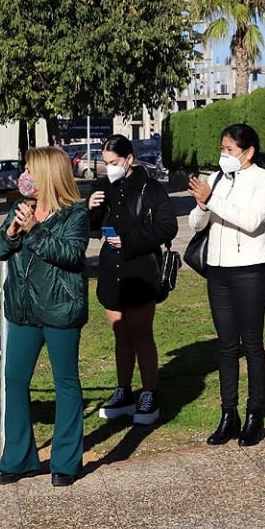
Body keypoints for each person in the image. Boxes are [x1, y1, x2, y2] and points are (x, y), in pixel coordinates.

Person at [0, 146, 89, 486]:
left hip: (61, 309)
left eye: (31, 169)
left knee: (65, 382)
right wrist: (12, 233)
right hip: (23, 310)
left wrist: (35, 230)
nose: (25, 176)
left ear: (47, 173)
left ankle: (66, 462)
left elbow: (71, 254)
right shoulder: (22, 207)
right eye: (24, 169)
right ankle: (18, 459)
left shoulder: (75, 212)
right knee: (14, 379)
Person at [187, 124, 265, 447]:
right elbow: (196, 224)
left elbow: (252, 220)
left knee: (251, 343)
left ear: (248, 152)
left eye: (229, 150)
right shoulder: (215, 178)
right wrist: (201, 205)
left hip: (250, 270)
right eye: (221, 149)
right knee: (226, 345)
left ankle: (255, 413)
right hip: (218, 270)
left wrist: (212, 200)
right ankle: (229, 413)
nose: (223, 155)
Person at [88, 135, 178, 426]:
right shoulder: (103, 187)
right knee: (120, 333)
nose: (109, 168)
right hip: (111, 269)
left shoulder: (151, 189)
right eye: (105, 163)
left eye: (113, 163)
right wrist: (89, 207)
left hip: (140, 270)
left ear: (128, 159)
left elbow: (167, 227)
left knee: (141, 333)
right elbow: (89, 226)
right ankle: (123, 389)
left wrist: (128, 240)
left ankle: (149, 392)